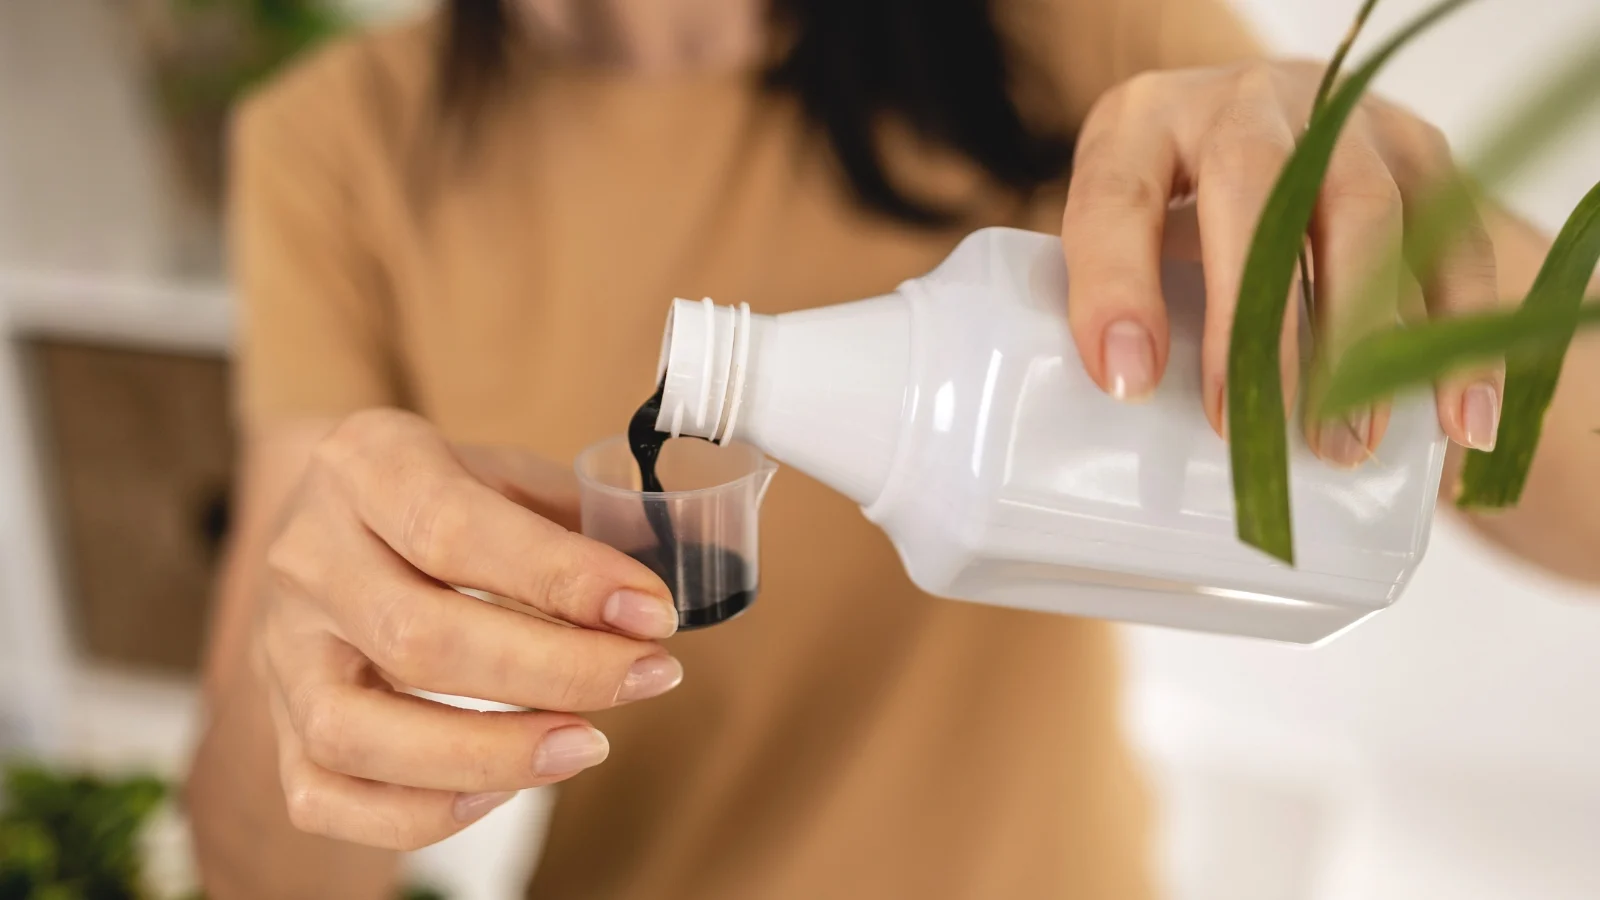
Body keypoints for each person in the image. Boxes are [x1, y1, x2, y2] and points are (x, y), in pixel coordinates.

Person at [184, 1, 1600, 897]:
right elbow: (259, 869)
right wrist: (313, 681)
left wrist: (1435, 243)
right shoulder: (339, 145)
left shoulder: (1060, 34)